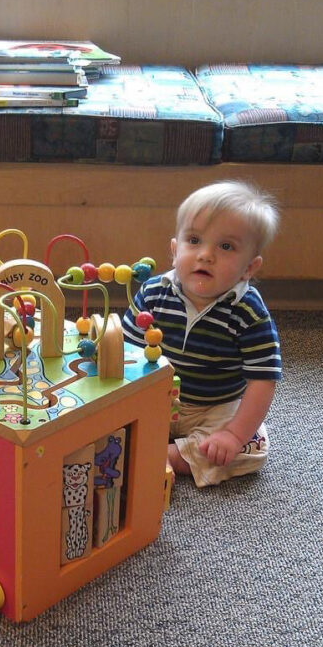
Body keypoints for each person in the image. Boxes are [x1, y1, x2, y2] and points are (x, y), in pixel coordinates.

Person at [123, 180, 282, 487]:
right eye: (194, 240)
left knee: (252, 447)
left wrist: (234, 435)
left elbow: (263, 380)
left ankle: (163, 453)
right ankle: (156, 449)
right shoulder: (153, 293)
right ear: (174, 250)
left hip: (214, 407)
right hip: (155, 399)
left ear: (249, 268)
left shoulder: (248, 311)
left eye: (226, 247)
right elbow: (124, 352)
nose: (206, 255)